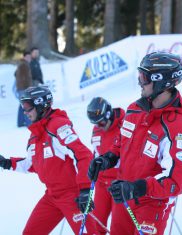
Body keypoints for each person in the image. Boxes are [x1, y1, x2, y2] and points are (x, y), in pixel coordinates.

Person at [88, 52, 182, 235]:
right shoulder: (134, 110)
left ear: (162, 82)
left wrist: (137, 188)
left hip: (152, 204)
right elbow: (120, 144)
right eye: (139, 75)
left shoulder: (178, 127)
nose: (139, 82)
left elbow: (175, 182)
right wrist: (107, 159)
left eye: (144, 77)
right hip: (124, 196)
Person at [0, 86, 98, 234]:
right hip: (51, 197)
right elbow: (31, 164)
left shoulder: (58, 126)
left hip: (72, 195)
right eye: (23, 107)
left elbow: (83, 155)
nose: (25, 112)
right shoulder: (35, 135)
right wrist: (7, 163)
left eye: (27, 107)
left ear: (41, 105)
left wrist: (85, 191)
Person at [87, 97, 125, 235]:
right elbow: (95, 153)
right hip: (102, 183)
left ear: (109, 114)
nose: (100, 126)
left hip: (119, 182)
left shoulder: (125, 124)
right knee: (97, 225)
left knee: (119, 227)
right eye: (96, 124)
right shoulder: (96, 130)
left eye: (102, 122)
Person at [15, 50, 33, 127]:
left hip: (21, 88)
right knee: (26, 105)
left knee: (22, 105)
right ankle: (29, 123)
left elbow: (15, 74)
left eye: (30, 57)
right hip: (23, 88)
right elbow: (25, 78)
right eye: (28, 57)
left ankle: (20, 122)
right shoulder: (24, 65)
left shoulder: (22, 64)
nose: (29, 58)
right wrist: (28, 87)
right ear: (24, 57)